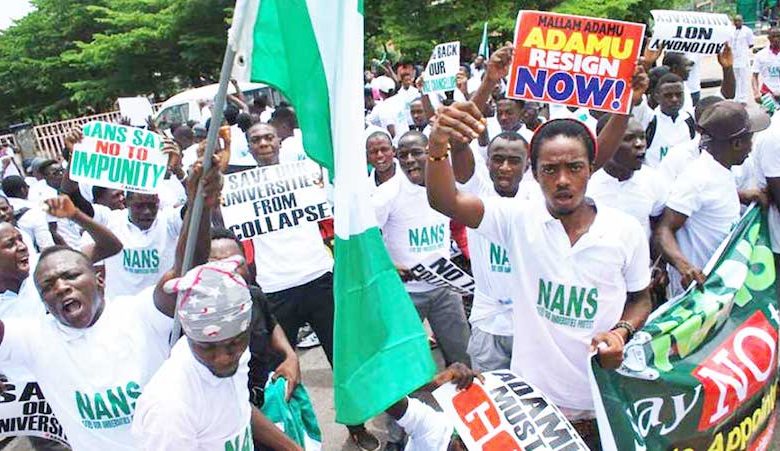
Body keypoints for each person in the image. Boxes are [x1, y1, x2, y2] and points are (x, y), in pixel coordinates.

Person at [425, 103, 652, 447]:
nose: (562, 180)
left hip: (604, 402)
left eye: (574, 167)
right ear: (533, 172)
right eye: (549, 169)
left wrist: (621, 332)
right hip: (533, 405)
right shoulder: (517, 219)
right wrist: (438, 143)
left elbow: (640, 298)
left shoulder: (626, 231)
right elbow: (447, 201)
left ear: (592, 168)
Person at [0, 153, 221, 450]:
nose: (61, 287)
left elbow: (187, 270)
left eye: (70, 276)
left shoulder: (140, 313)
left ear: (100, 280)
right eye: (48, 287)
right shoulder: (33, 338)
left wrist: (198, 206)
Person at [242, 121, 379, 449]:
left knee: (342, 358)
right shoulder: (240, 190)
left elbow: (330, 220)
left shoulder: (303, 175)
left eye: (268, 137)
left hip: (318, 277)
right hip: (274, 288)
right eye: (256, 139)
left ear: (279, 141)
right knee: (279, 370)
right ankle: (288, 434)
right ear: (249, 148)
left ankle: (356, 425)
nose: (263, 143)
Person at [131, 258, 301, 451]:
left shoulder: (238, 356)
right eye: (207, 348)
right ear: (188, 335)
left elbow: (237, 407)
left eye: (234, 343)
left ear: (248, 330)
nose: (223, 358)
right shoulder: (170, 409)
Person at [655, 101, 769, 297]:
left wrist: (740, 195)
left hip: (722, 284)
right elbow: (663, 230)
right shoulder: (697, 178)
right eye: (750, 139)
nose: (752, 147)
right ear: (736, 143)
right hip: (700, 291)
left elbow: (710, 203)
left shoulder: (721, 172)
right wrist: (684, 266)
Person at [448, 131, 534, 372]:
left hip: (530, 326)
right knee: (492, 395)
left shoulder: (539, 199)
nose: (505, 167)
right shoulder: (477, 193)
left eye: (514, 160)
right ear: (487, 162)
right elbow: (458, 146)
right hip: (488, 322)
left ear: (527, 164)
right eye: (498, 159)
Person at [209, 228, 301, 409]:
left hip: (265, 399)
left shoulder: (255, 296)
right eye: (217, 264)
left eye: (236, 263)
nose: (229, 271)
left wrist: (290, 357)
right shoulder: (200, 319)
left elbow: (271, 323)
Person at [587, 117, 668, 239]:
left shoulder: (654, 180)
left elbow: (660, 225)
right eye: (628, 138)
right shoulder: (586, 183)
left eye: (642, 137)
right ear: (606, 142)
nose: (639, 144)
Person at [633, 73, 696, 167]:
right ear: (657, 97)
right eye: (668, 95)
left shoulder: (689, 119)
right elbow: (638, 104)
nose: (674, 99)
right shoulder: (649, 120)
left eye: (679, 95)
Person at [731, 15, 756, 103]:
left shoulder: (747, 31)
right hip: (733, 59)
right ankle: (736, 97)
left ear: (742, 21)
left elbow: (751, 44)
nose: (737, 22)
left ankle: (743, 98)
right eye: (736, 21)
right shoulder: (731, 30)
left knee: (743, 78)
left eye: (739, 21)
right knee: (735, 78)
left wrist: (742, 49)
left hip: (743, 58)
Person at [753, 28, 780, 102]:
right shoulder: (760, 55)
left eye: (778, 36)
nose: (776, 39)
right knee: (770, 113)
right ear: (768, 38)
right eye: (773, 36)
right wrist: (756, 93)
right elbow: (755, 76)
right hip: (767, 93)